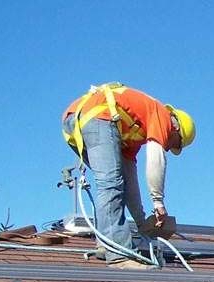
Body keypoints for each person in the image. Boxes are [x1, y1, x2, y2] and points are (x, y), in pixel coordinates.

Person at [62, 83, 195, 269]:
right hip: (97, 117)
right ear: (176, 129)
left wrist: (141, 223)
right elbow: (156, 158)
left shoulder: (131, 134)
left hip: (75, 119)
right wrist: (158, 202)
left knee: (112, 184)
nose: (168, 146)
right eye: (175, 143)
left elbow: (129, 182)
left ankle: (106, 244)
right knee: (110, 185)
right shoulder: (162, 115)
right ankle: (118, 255)